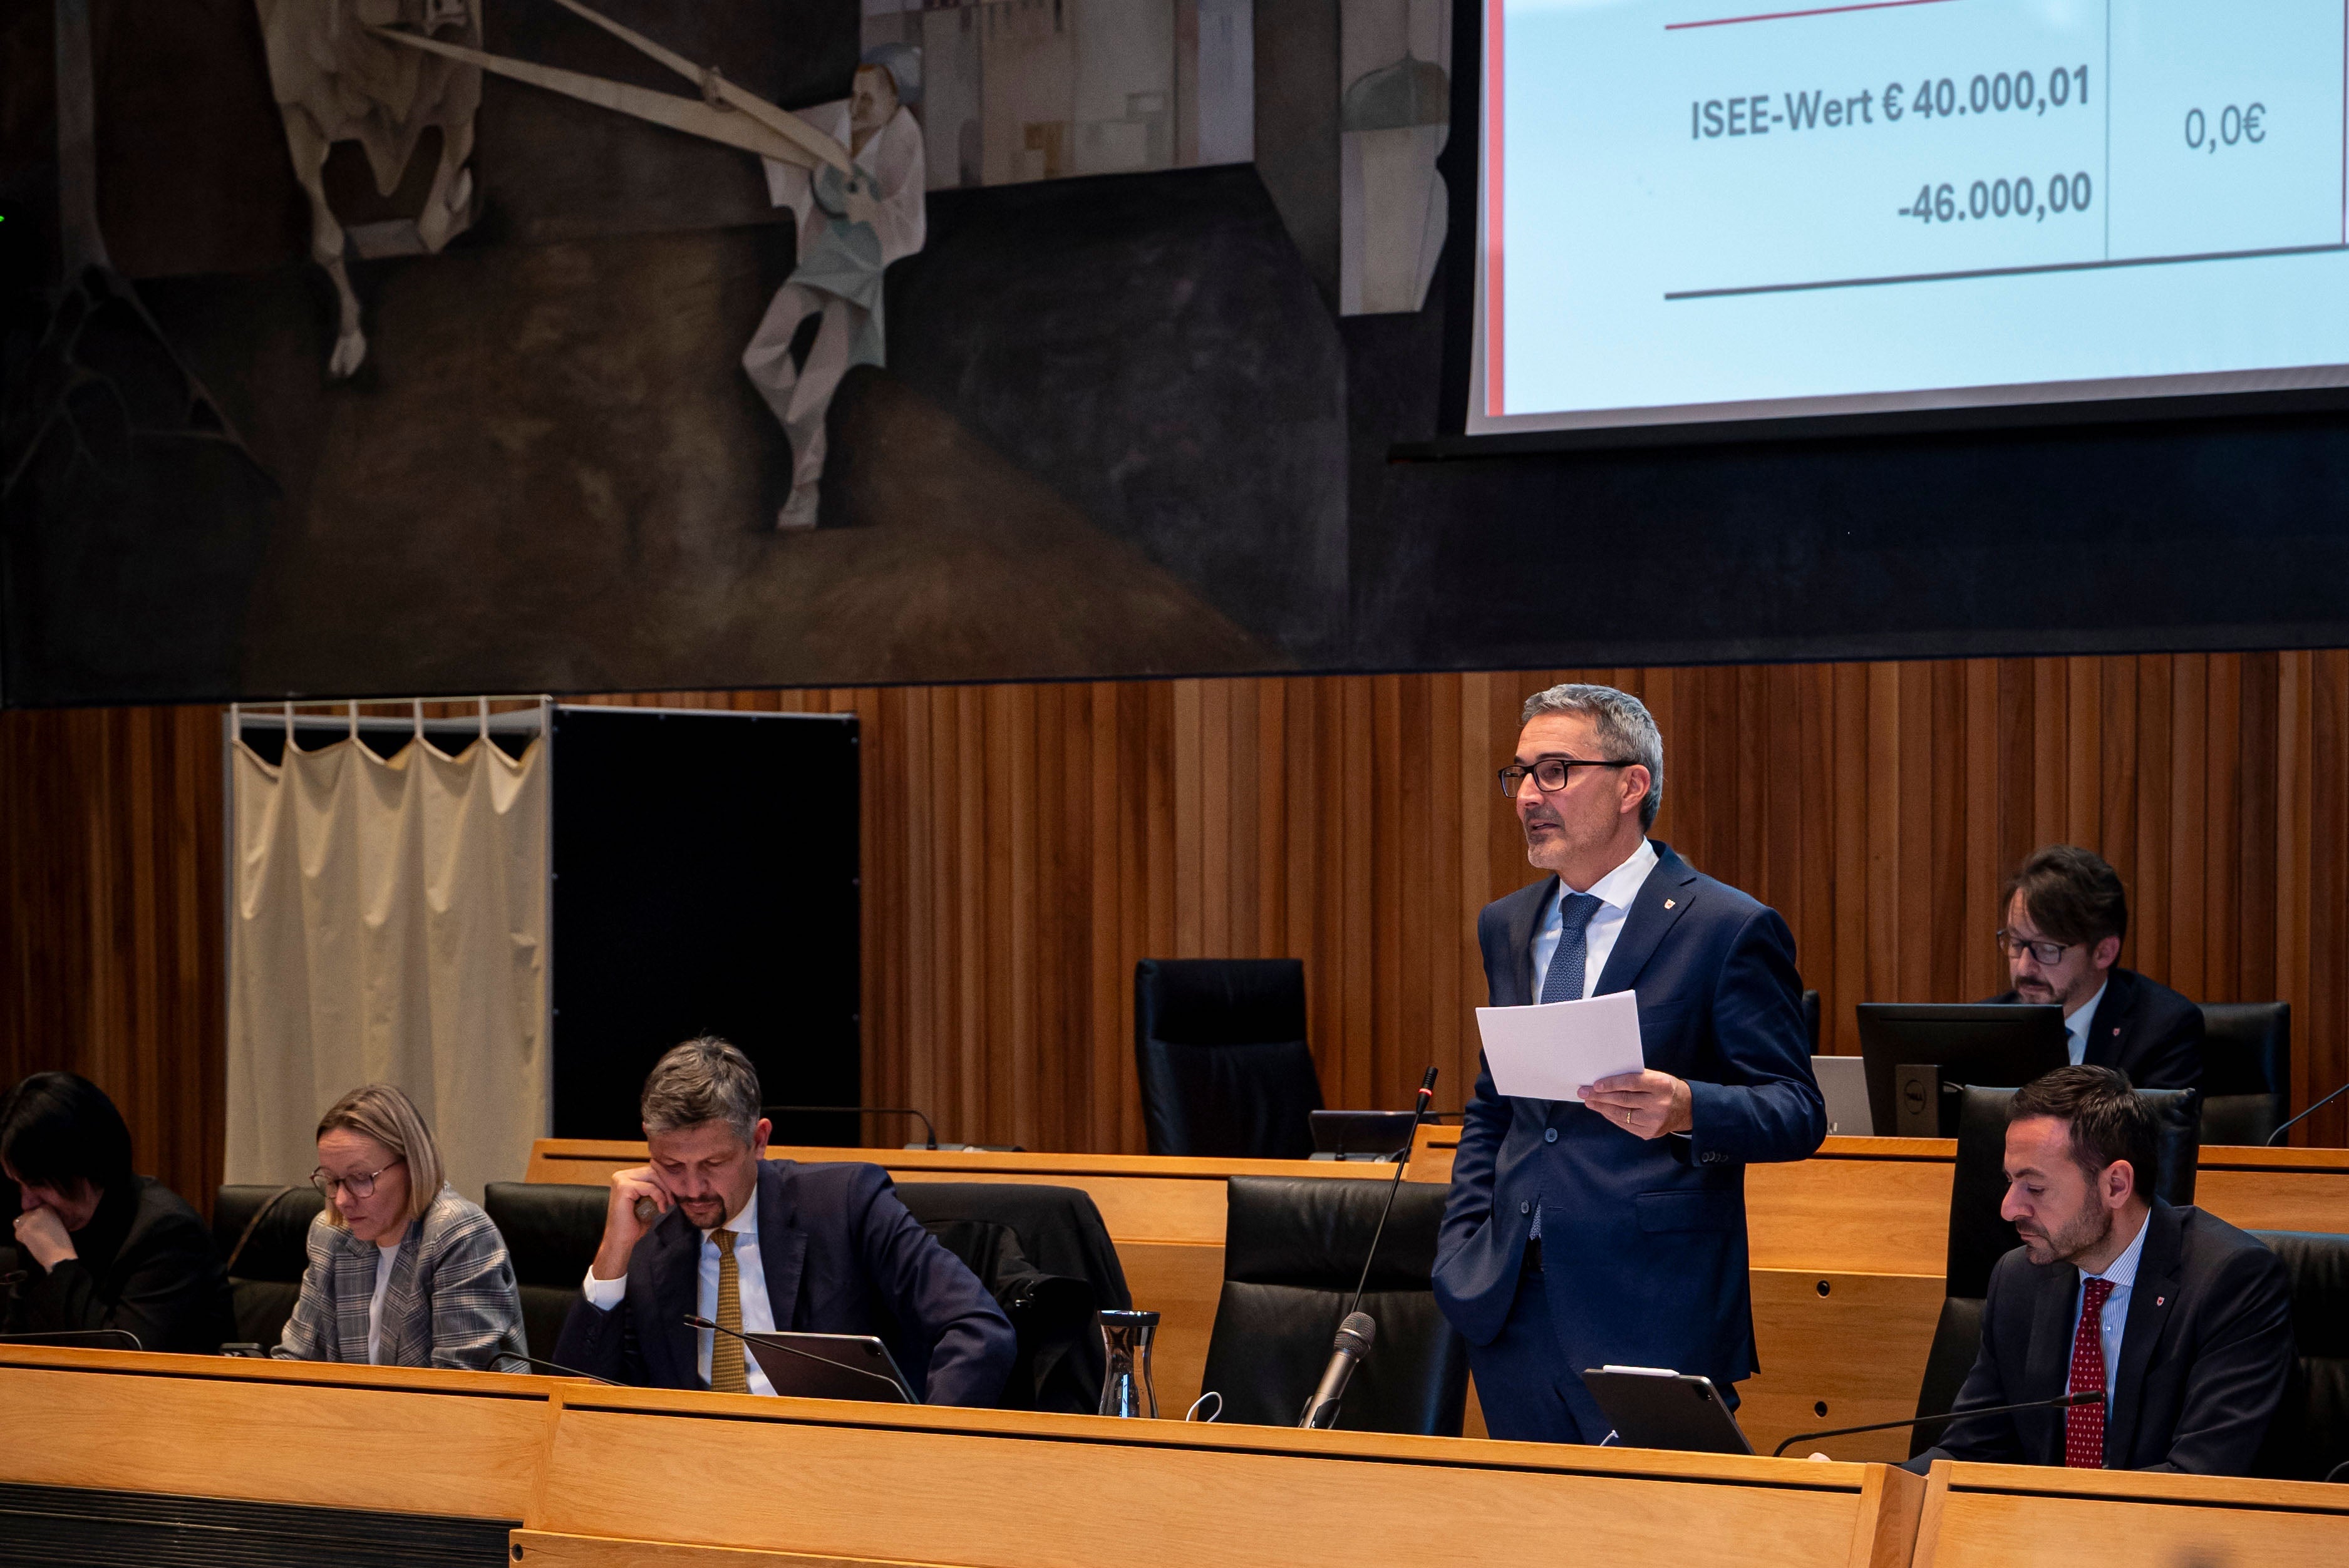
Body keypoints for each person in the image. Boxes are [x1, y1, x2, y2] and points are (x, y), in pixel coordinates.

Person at [1434, 683, 1826, 1444]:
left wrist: (1689, 1107)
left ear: (1630, 785)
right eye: (1520, 773)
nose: (1528, 796)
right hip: (1509, 1303)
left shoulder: (1725, 926)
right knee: (1528, 1512)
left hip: (1652, 1306)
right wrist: (1464, 1243)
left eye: (1555, 770)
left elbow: (1796, 1109)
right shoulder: (1507, 923)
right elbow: (1496, 1103)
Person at [556, 1036, 1013, 1405]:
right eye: (672, 1166)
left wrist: (924, 1445)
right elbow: (575, 1398)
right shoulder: (650, 1234)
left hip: (836, 1464)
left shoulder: (845, 1205)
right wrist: (612, 1255)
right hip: (694, 1470)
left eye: (713, 1164)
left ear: (759, 1140)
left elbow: (977, 1327)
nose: (692, 1190)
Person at [1908, 1065, 2291, 1472]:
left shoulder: (2232, 1280)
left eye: (2034, 1187)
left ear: (2116, 1185)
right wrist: (1866, 1483)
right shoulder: (2019, 1278)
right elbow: (1970, 1453)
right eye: (2010, 1182)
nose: (2008, 1208)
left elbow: (2199, 1477)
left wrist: (2060, 1511)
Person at [741, 46, 927, 530]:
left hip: (859, 277)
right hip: (821, 260)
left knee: (810, 395)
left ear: (894, 103)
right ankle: (811, 441)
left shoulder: (904, 139)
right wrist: (725, 102)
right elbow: (773, 127)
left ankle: (804, 492)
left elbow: (911, 229)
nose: (856, 106)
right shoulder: (836, 120)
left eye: (869, 99)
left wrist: (874, 213)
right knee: (759, 357)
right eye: (854, 94)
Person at [273, 1083, 528, 1371]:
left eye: (361, 1178)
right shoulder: (331, 1235)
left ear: (412, 1166)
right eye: (331, 1180)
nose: (342, 1200)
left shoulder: (457, 1234)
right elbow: (296, 1362)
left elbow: (460, 1382)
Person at [1, 1071, 234, 1353]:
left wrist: (59, 1262)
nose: (27, 1204)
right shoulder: (46, 1223)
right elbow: (14, 1346)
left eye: (38, 1183)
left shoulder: (167, 1233)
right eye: (19, 1185)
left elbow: (124, 1359)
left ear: (85, 1164)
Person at [1988, 845, 2202, 1090]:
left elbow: (2160, 1117)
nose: (2024, 968)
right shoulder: (1985, 1030)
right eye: (2016, 943)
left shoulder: (2162, 1030)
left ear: (2104, 953)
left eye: (2047, 948)